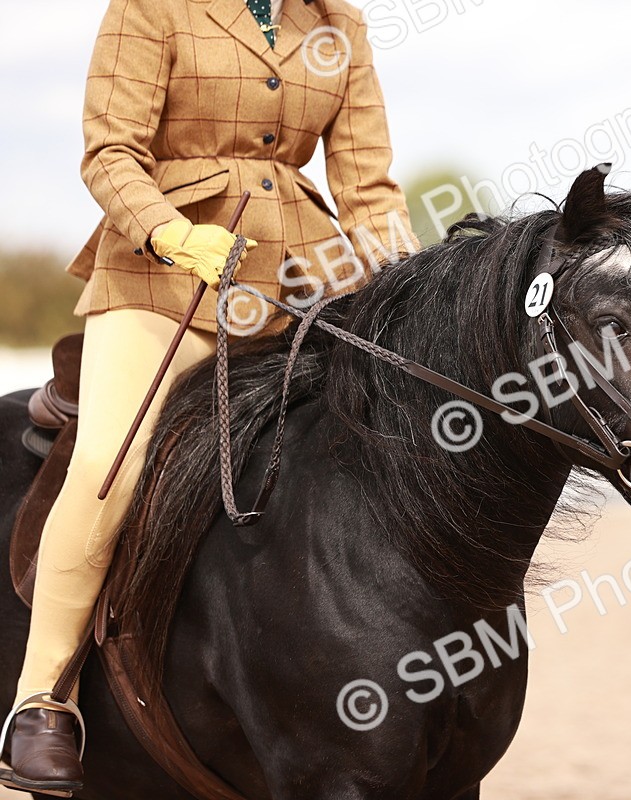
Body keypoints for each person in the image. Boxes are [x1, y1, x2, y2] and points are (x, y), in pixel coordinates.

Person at [1, 0, 417, 793]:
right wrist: (170, 232)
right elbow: (111, 152)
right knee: (109, 464)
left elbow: (368, 191)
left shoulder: (340, 27)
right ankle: (41, 700)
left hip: (301, 281)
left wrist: (411, 293)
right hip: (162, 282)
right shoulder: (150, 8)